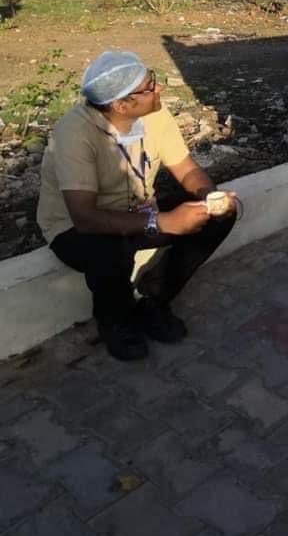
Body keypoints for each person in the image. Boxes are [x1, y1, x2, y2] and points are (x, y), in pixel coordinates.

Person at [37, 51, 239, 361]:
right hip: (75, 228)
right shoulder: (74, 133)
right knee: (108, 250)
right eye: (149, 87)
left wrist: (210, 197)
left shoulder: (154, 114)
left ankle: (154, 298)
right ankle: (114, 321)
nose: (159, 90)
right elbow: (85, 217)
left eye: (153, 80)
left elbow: (185, 168)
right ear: (121, 104)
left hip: (140, 211)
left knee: (219, 216)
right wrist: (162, 223)